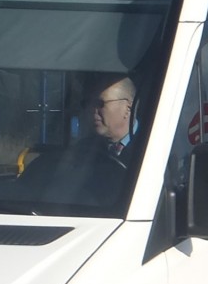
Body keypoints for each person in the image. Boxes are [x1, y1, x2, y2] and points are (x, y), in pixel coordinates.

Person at [17, 73, 140, 206]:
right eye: (87, 103)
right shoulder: (80, 151)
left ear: (129, 108)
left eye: (100, 103)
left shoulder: (155, 152)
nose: (92, 110)